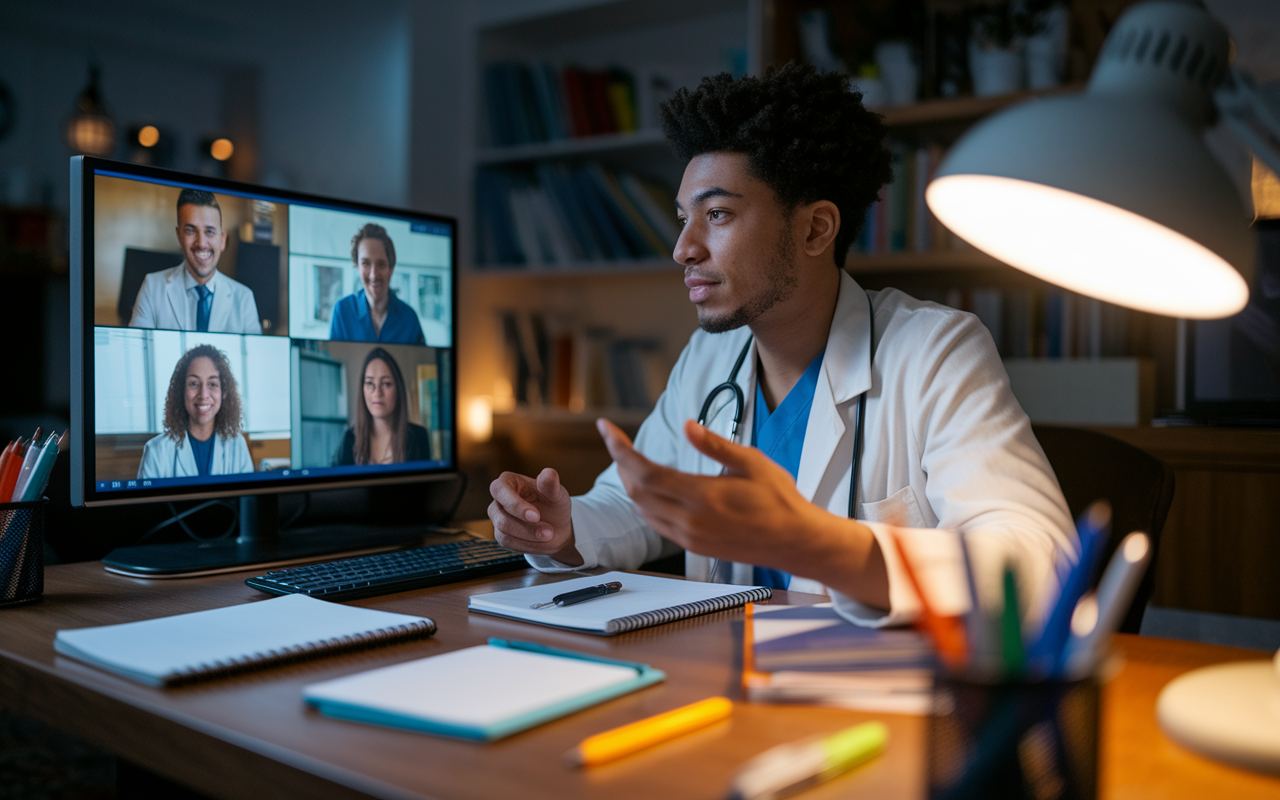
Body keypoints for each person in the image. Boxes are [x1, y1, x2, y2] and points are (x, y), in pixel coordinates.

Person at [487, 64, 1076, 629]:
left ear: (816, 228)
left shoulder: (935, 352)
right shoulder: (708, 359)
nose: (683, 248)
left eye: (716, 213)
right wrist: (562, 530)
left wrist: (817, 542)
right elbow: (640, 507)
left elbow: (1037, 564)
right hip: (725, 682)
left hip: (867, 700)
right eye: (682, 218)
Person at [129, 189, 263, 335]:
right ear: (179, 237)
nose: (201, 243)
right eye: (191, 231)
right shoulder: (152, 287)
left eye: (210, 231)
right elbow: (136, 351)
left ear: (223, 240)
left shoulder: (244, 298)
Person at [138, 344, 254, 479]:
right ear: (181, 391)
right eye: (194, 383)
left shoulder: (237, 445)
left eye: (213, 384)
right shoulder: (156, 450)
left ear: (224, 393)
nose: (203, 395)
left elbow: (248, 499)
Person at [328, 224, 427, 345]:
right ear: (357, 267)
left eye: (381, 264)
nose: (373, 275)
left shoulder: (410, 318)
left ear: (391, 269)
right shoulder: (342, 312)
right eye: (365, 263)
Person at [333, 347, 431, 466]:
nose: (377, 393)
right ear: (362, 389)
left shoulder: (419, 437)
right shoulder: (348, 439)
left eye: (385, 384)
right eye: (370, 383)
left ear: (398, 389)